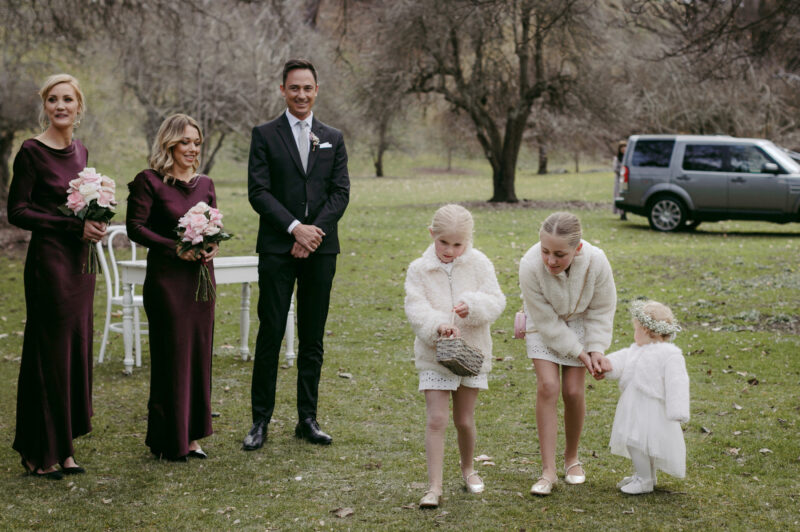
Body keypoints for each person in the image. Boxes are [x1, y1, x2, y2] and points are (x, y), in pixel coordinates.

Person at [244, 58, 350, 449]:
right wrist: (294, 228)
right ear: (283, 90)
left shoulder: (332, 137)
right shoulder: (264, 135)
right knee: (271, 331)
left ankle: (308, 418)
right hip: (277, 247)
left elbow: (340, 192)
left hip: (320, 250)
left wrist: (312, 234)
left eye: (307, 88)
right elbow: (258, 192)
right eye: (294, 88)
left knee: (312, 335)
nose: (301, 95)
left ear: (316, 90)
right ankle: (260, 421)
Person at [8, 74, 106, 479]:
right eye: (53, 99)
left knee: (74, 350)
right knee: (49, 352)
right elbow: (17, 211)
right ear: (45, 106)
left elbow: (82, 205)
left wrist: (97, 220)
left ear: (78, 106)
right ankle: (39, 450)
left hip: (81, 263)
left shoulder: (81, 151)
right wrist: (71, 226)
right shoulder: (31, 152)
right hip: (49, 264)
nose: (60, 106)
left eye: (67, 99)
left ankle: (65, 448)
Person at [126, 114, 219, 461]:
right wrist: (174, 247)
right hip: (167, 281)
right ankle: (168, 439)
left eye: (196, 142)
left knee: (199, 355)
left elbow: (213, 225)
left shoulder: (205, 184)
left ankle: (193, 437)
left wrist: (213, 245)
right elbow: (135, 227)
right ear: (169, 144)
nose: (192, 148)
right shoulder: (149, 181)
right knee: (172, 356)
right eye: (185, 142)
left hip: (201, 281)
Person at [404, 204, 506, 509]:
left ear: (469, 239)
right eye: (443, 242)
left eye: (458, 244)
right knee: (436, 419)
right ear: (431, 234)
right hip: (434, 354)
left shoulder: (479, 264)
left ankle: (468, 468)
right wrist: (438, 325)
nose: (450, 250)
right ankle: (434, 487)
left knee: (464, 419)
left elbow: (496, 301)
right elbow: (415, 308)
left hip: (471, 353)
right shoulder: (418, 269)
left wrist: (472, 306)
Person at [518, 211, 616, 496]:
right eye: (545, 251)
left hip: (581, 323)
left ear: (578, 248)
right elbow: (546, 321)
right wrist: (578, 353)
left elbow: (602, 309)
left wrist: (594, 349)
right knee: (548, 386)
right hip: (543, 324)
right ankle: (547, 471)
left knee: (573, 391)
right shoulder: (529, 264)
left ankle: (571, 458)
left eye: (559, 254)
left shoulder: (597, 261)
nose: (550, 261)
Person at [605, 300, 689, 495]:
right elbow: (620, 360)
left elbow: (677, 382)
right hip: (633, 406)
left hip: (652, 408)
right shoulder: (636, 349)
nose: (634, 335)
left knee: (639, 443)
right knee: (637, 443)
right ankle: (644, 475)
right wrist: (606, 365)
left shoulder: (670, 354)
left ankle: (645, 480)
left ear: (646, 330)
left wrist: (678, 410)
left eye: (636, 330)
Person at [612, 140, 627, 220]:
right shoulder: (617, 158)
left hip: (626, 180)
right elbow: (615, 169)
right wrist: (622, 172)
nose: (623, 149)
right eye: (622, 147)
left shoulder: (628, 157)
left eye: (625, 147)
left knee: (625, 195)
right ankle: (621, 213)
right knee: (619, 195)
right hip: (619, 180)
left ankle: (625, 213)